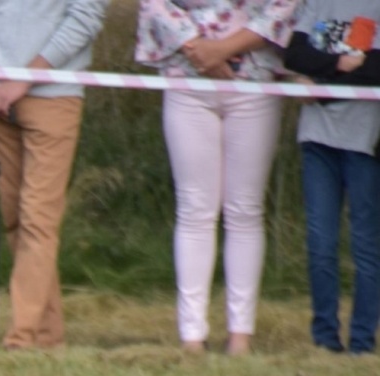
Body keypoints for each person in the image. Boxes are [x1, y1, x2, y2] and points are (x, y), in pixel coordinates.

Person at [136, 0, 297, 356]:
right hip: (187, 77)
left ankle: (241, 334)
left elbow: (284, 6)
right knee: (194, 210)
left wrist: (224, 49)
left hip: (254, 80)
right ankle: (191, 333)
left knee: (245, 211)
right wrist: (199, 50)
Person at [0, 0, 107, 349]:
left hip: (54, 98)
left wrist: (26, 78)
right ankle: (47, 335)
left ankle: (21, 338)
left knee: (37, 218)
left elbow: (86, 17)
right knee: (13, 218)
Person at [284, 2, 380, 355]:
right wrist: (339, 65)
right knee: (320, 244)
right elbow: (294, 55)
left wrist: (320, 79)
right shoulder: (316, 4)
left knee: (365, 245)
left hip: (364, 140)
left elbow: (374, 68)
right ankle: (325, 338)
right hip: (317, 138)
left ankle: (362, 341)